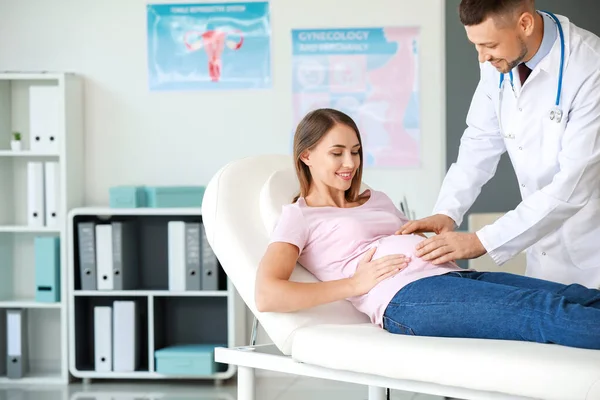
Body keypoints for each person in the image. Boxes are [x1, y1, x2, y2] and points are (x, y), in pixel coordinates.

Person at [255, 107, 600, 350]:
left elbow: (403, 241)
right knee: (541, 312)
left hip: (450, 277)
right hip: (405, 300)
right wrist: (353, 284)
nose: (351, 163)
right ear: (306, 156)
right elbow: (267, 294)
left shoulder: (376, 198)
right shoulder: (300, 216)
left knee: (568, 295)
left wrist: (429, 233)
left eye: (356, 152)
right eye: (337, 153)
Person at [399, 0, 600, 288]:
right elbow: (479, 141)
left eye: (489, 45)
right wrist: (447, 211)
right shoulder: (498, 60)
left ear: (525, 24)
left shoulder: (589, 67)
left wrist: (482, 240)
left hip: (592, 253)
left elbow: (573, 186)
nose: (481, 58)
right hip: (542, 255)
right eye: (476, 46)